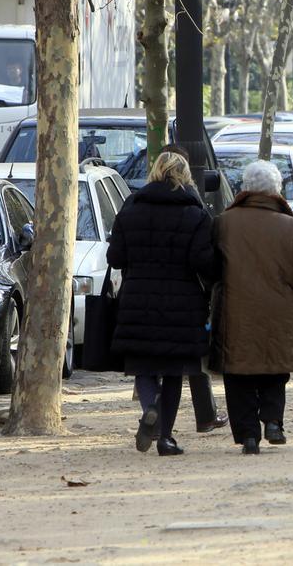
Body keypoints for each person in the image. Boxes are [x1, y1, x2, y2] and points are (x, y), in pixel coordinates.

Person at [108, 152, 217, 456]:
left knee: (143, 366)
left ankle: (150, 405)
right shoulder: (195, 214)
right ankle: (166, 438)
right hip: (182, 304)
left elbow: (115, 258)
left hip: (137, 300)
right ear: (185, 176)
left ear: (154, 172)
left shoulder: (131, 209)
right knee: (173, 371)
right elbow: (203, 262)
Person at [214, 160, 293, 455]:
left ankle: (248, 434)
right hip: (280, 307)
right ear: (277, 190)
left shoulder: (224, 222)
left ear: (244, 188)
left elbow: (211, 266)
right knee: (275, 367)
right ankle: (273, 421)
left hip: (236, 309)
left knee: (238, 370)